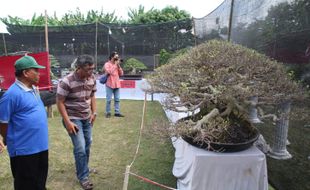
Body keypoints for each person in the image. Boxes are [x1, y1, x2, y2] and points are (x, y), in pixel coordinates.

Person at [0, 55, 49, 190]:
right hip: (24, 150)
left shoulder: (33, 89)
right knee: (26, 185)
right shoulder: (11, 95)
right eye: (36, 70)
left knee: (40, 183)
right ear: (26, 73)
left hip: (41, 147)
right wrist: (7, 139)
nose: (39, 73)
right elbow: (3, 122)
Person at [56, 54, 97, 190]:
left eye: (92, 69)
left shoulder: (91, 79)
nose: (91, 72)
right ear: (78, 68)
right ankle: (83, 177)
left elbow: (92, 95)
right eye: (88, 69)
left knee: (87, 144)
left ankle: (83, 168)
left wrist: (94, 112)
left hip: (87, 118)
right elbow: (60, 102)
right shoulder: (66, 81)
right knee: (80, 148)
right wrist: (67, 122)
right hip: (73, 119)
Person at [103, 51, 124, 118]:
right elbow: (109, 72)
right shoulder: (107, 64)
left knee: (117, 99)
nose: (117, 58)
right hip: (109, 84)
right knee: (108, 99)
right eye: (116, 57)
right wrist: (115, 65)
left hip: (117, 84)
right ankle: (108, 112)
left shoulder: (117, 65)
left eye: (118, 57)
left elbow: (121, 74)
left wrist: (118, 66)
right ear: (112, 57)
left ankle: (117, 112)